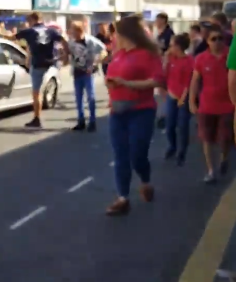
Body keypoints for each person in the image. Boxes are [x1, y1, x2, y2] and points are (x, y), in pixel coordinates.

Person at [105, 15, 164, 215]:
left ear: (125, 33)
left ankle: (145, 181)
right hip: (117, 112)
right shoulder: (118, 54)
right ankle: (123, 198)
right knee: (121, 156)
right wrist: (112, 90)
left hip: (142, 110)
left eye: (116, 33)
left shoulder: (148, 54)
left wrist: (126, 83)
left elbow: (157, 81)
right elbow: (114, 77)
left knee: (137, 155)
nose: (114, 37)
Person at [189, 24, 234, 183]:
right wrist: (191, 101)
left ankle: (224, 158)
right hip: (207, 106)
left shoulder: (231, 55)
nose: (217, 42)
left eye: (220, 38)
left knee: (225, 138)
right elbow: (195, 81)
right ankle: (211, 170)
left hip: (228, 105)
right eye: (213, 39)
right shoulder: (201, 58)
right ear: (207, 41)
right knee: (206, 139)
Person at [13, 12, 69, 128]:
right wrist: (66, 54)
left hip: (37, 63)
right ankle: (41, 108)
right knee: (44, 85)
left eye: (29, 21)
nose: (28, 23)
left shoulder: (29, 31)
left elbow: (12, 38)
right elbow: (64, 40)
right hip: (50, 62)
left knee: (36, 93)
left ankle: (37, 119)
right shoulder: (51, 31)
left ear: (33, 20)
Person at [68, 21, 106, 132]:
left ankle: (92, 121)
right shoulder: (72, 42)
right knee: (78, 98)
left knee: (90, 97)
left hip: (88, 73)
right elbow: (70, 54)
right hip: (77, 72)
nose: (71, 32)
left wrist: (94, 64)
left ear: (79, 31)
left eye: (73, 30)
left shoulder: (90, 41)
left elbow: (103, 51)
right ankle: (81, 121)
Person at [164, 33, 193, 166]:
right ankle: (173, 146)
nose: (170, 47)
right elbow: (164, 74)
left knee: (182, 127)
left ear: (178, 46)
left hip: (183, 98)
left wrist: (182, 99)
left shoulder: (189, 61)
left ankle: (181, 153)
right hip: (171, 96)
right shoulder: (171, 58)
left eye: (172, 44)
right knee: (169, 126)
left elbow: (188, 83)